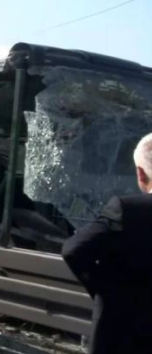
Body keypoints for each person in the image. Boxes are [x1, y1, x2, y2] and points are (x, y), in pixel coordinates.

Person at [62, 132, 152, 354]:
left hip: (123, 330)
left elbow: (74, 250)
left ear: (141, 174)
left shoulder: (127, 210)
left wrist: (106, 289)